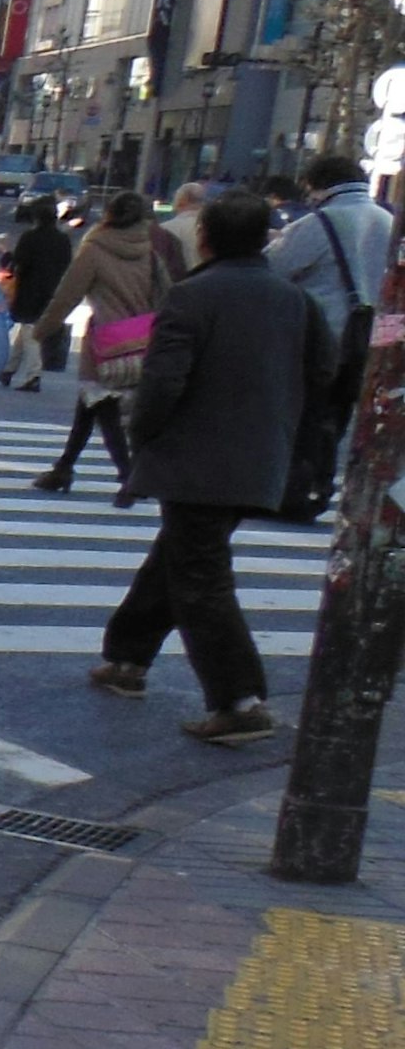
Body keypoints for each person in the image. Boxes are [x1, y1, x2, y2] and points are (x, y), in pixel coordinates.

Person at [95, 190, 334, 746]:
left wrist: (142, 437)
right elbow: (324, 372)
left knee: (200, 574)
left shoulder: (192, 296)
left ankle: (238, 698)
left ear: (205, 238)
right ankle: (127, 658)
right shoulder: (297, 301)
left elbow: (163, 383)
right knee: (181, 554)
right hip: (262, 456)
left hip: (196, 456)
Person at [266, 150, 390, 520]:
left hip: (322, 338)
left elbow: (273, 267)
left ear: (319, 186)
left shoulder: (319, 223)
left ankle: (297, 490)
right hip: (371, 340)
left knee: (305, 415)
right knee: (337, 417)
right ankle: (321, 483)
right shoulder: (387, 221)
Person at [27, 190, 172, 502]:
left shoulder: (95, 248)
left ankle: (128, 476)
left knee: (103, 405)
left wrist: (42, 331)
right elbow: (164, 295)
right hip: (140, 339)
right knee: (90, 404)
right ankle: (64, 468)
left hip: (106, 340)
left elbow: (68, 295)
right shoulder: (148, 252)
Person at [3, 193, 74, 389]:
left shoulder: (30, 237)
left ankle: (33, 375)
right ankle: (9, 369)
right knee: (27, 330)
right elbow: (68, 265)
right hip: (54, 290)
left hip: (30, 290)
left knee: (30, 331)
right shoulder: (63, 240)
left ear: (36, 217)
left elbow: (19, 264)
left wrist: (6, 255)